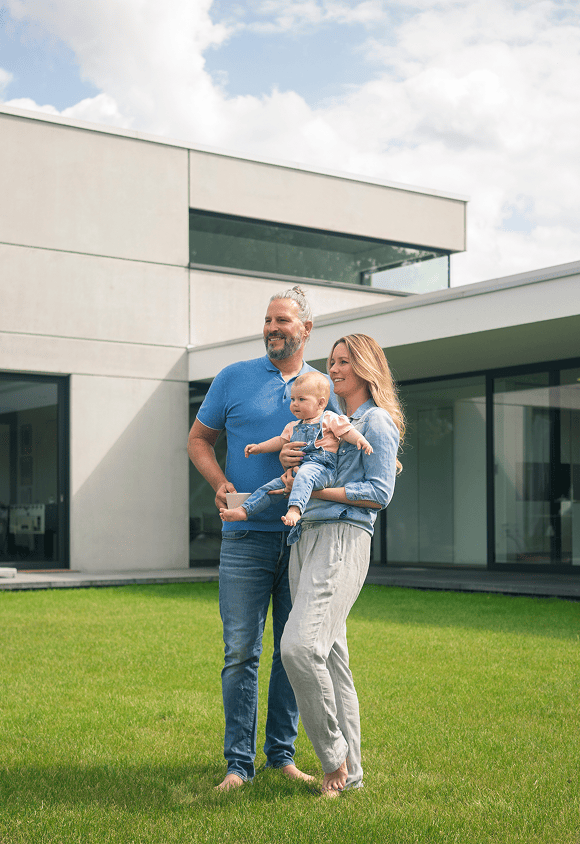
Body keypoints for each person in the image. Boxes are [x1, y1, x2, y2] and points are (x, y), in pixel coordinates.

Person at [187, 286, 339, 791]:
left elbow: (342, 453)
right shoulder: (233, 378)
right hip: (245, 537)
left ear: (306, 329)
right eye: (269, 320)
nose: (273, 328)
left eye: (283, 320)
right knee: (240, 652)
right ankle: (238, 765)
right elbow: (198, 439)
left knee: (291, 651)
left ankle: (281, 756)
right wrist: (219, 482)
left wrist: (308, 461)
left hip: (304, 537)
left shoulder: (325, 387)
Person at [279, 334, 404, 796]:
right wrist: (293, 471)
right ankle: (352, 778)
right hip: (307, 537)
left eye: (344, 361)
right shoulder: (333, 422)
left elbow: (379, 493)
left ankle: (334, 759)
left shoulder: (376, 421)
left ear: (366, 367)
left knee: (298, 647)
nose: (333, 369)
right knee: (332, 661)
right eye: (331, 361)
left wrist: (315, 490)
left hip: (341, 538)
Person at [218, 371, 373, 528]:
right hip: (298, 471)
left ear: (321, 403)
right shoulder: (293, 426)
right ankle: (245, 510)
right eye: (292, 399)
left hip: (322, 469)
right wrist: (259, 448)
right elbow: (280, 441)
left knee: (305, 474)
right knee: (271, 487)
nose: (295, 404)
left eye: (301, 399)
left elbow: (347, 431)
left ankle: (295, 509)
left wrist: (360, 440)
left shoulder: (329, 418)